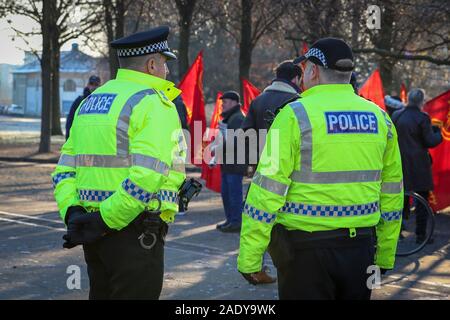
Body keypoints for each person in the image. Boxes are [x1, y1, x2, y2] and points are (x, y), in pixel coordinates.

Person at [238, 38, 403, 300]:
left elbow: (265, 192)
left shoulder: (294, 115)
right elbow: (392, 192)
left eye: (303, 69)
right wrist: (385, 253)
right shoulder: (380, 118)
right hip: (360, 250)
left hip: (305, 254)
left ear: (313, 71)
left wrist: (250, 258)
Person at [52, 26, 186, 300]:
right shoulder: (153, 103)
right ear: (151, 64)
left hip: (91, 230)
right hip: (134, 232)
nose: (167, 72)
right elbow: (146, 177)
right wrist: (105, 220)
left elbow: (64, 169)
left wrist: (73, 213)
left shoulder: (90, 102)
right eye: (164, 63)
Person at [392, 89, 442, 244]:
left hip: (399, 163)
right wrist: (438, 133)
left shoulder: (396, 115)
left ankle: (396, 232)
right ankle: (421, 236)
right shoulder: (422, 118)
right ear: (421, 101)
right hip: (419, 165)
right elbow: (430, 141)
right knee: (422, 201)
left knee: (400, 200)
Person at [214, 91, 247, 233]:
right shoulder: (231, 118)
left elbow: (235, 141)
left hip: (235, 163)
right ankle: (230, 220)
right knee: (227, 194)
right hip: (229, 163)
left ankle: (236, 222)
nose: (222, 105)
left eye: (225, 102)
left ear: (234, 102)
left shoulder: (237, 118)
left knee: (234, 195)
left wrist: (219, 147)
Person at [65, 75, 101, 140]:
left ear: (100, 86)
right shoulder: (79, 101)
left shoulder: (102, 102)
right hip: (81, 138)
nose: (93, 86)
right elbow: (70, 119)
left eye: (96, 84)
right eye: (91, 84)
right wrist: (68, 138)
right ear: (88, 85)